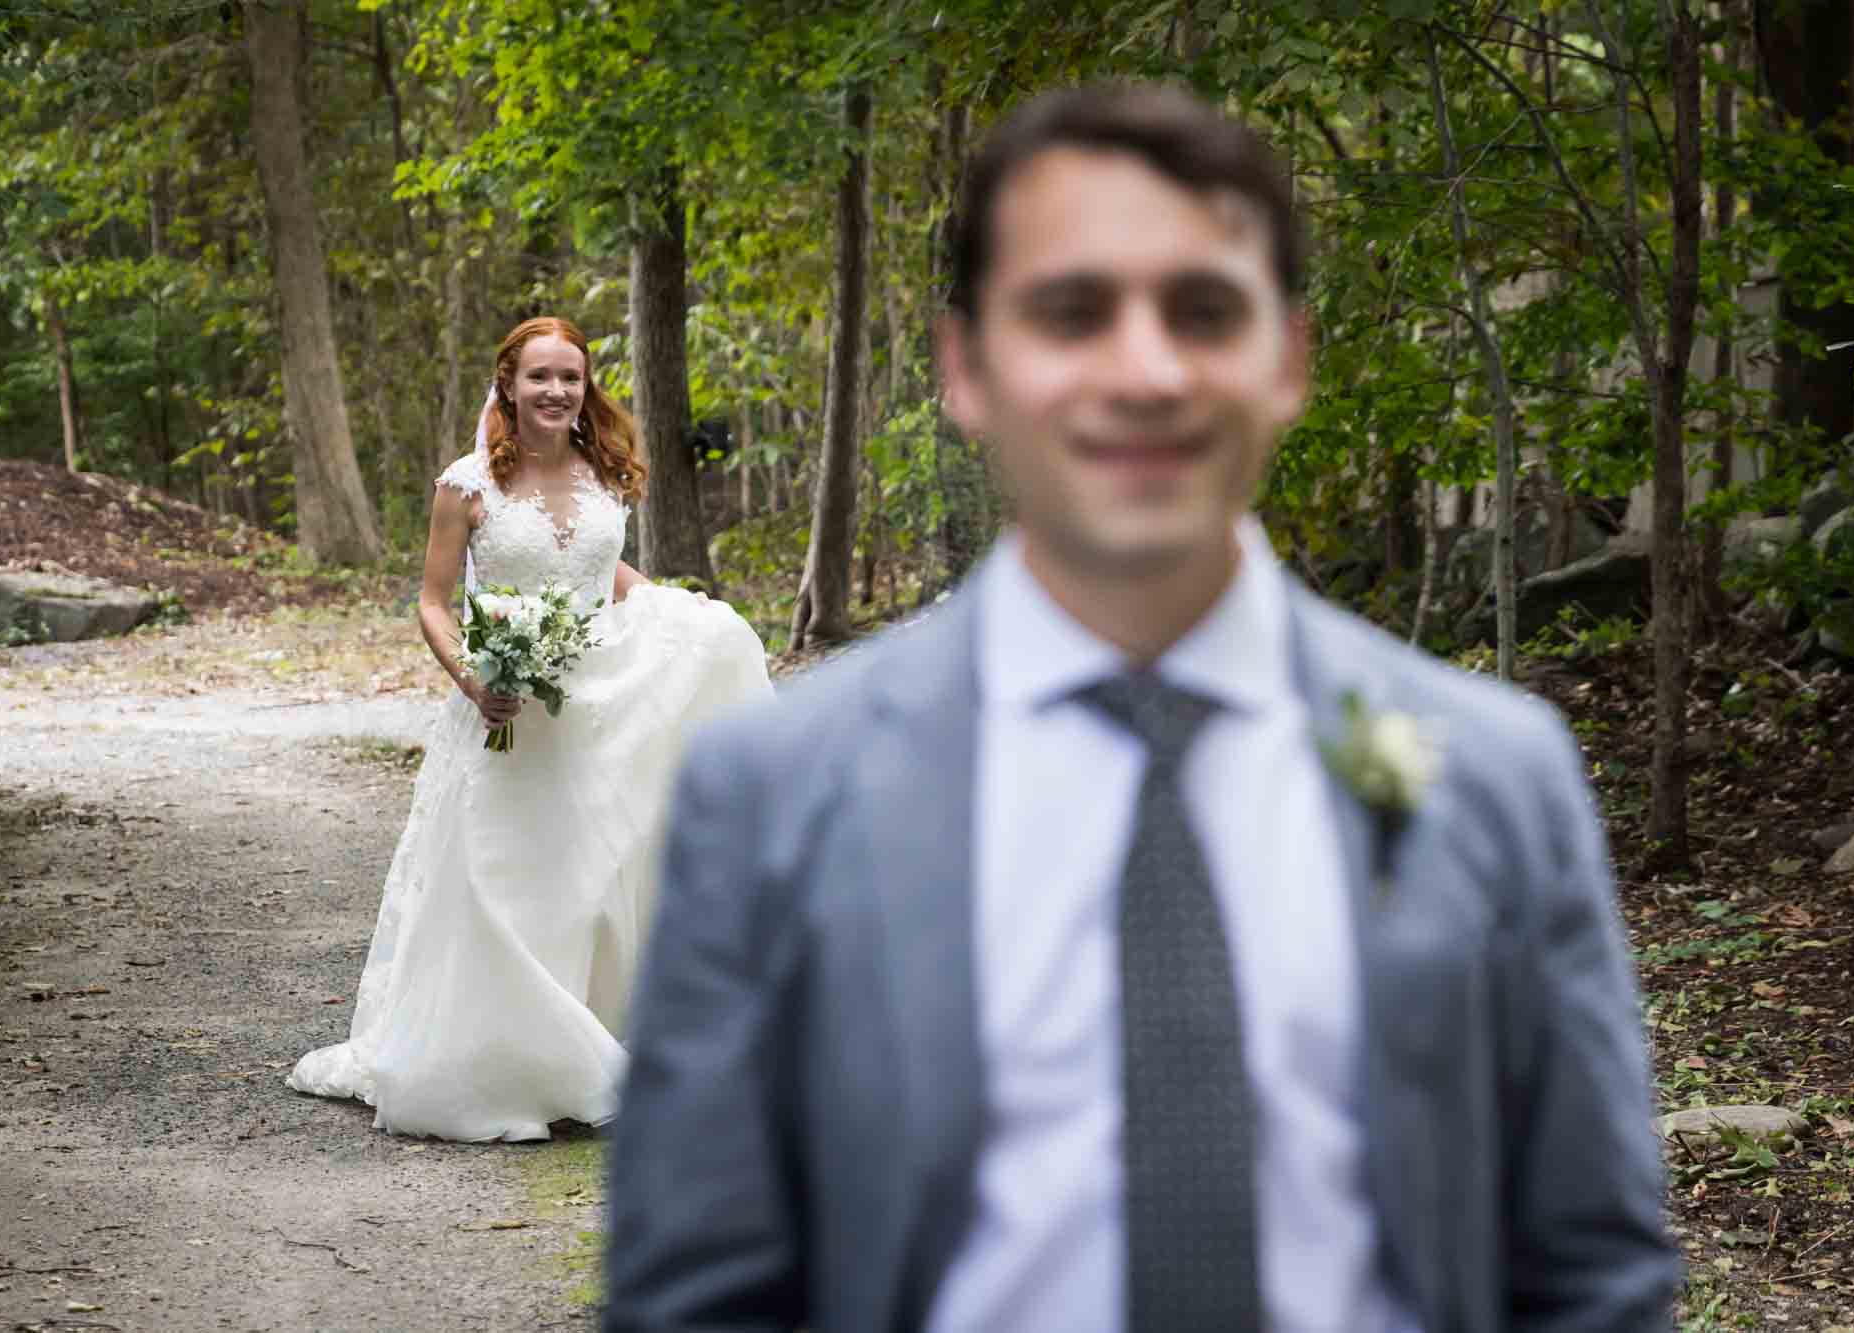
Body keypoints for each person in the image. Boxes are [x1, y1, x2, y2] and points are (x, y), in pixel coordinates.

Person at [604, 85, 1676, 1331]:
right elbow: (697, 1292)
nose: (1146, 369)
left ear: (1287, 359)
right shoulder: (771, 790)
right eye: (1071, 312)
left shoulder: (1499, 775)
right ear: (966, 366)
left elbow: (1594, 1279)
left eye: (1203, 311)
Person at [288, 316, 771, 1143]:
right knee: (505, 871)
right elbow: (434, 602)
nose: (556, 392)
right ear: (508, 384)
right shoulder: (466, 485)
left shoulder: (604, 473)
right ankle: (506, 1061)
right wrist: (476, 679)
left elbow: (597, 568)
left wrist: (673, 615)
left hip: (598, 697)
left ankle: (589, 1037)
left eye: (571, 378)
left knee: (592, 875)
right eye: (540, 377)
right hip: (507, 703)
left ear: (587, 388)